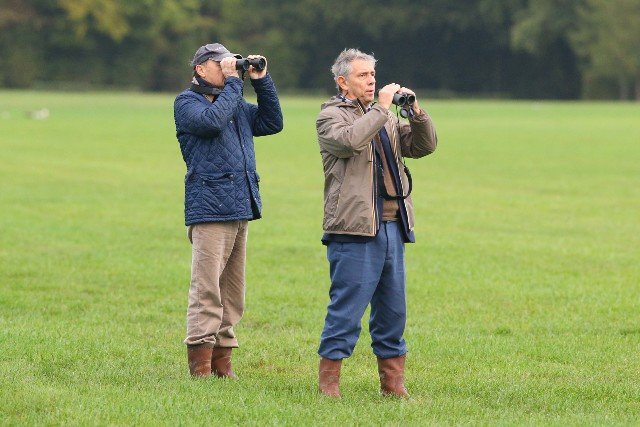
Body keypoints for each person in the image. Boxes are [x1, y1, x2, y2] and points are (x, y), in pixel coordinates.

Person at [315, 48, 437, 397]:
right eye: (363, 75)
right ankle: (329, 385)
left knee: (393, 312)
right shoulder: (330, 116)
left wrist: (416, 112)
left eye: (372, 75)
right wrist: (382, 109)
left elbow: (424, 146)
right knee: (346, 311)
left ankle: (393, 385)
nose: (371, 81)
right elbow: (350, 141)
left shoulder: (383, 118)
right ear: (343, 82)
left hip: (393, 227)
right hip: (353, 230)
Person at [174, 43, 283, 378]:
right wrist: (235, 82)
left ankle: (223, 363)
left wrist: (261, 81)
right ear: (200, 68)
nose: (228, 68)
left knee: (232, 292)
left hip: (239, 205)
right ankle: (200, 366)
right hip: (209, 207)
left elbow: (272, 122)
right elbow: (211, 123)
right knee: (207, 289)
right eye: (220, 63)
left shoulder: (233, 102)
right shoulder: (187, 103)